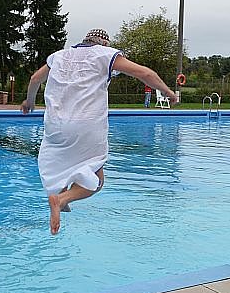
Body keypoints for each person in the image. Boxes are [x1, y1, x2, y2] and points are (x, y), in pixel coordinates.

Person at [21, 28, 178, 234]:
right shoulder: (104, 54)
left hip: (55, 125)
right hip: (86, 125)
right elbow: (145, 73)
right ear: (104, 43)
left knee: (60, 166)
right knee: (96, 182)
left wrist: (29, 101)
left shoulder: (58, 56)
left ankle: (61, 196)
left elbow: (34, 79)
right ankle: (61, 200)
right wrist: (168, 93)